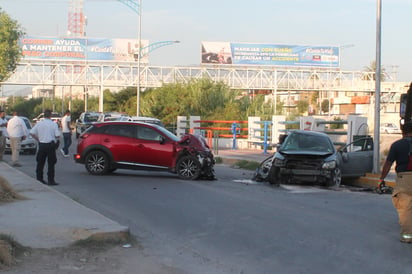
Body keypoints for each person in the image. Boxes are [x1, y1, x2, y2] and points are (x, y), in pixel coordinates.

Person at [380, 121, 412, 243]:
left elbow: (388, 164)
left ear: (403, 132)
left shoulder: (397, 145)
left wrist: (382, 179)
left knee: (405, 208)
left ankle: (408, 236)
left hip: (404, 179)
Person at [30, 109, 61, 185]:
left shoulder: (39, 123)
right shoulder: (53, 124)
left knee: (40, 163)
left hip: (42, 145)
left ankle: (39, 179)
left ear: (44, 115)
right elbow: (57, 135)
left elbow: (31, 133)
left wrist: (38, 139)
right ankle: (51, 180)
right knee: (51, 163)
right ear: (50, 115)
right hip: (50, 146)